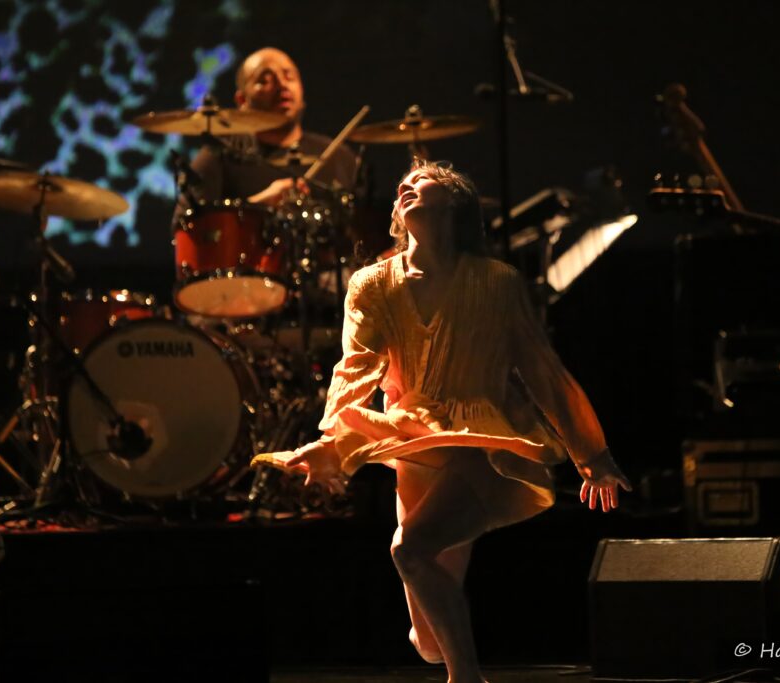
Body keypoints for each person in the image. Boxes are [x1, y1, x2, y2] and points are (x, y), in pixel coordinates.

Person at [253, 159, 631, 683]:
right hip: (412, 443)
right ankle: (451, 661)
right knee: (428, 640)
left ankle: (467, 680)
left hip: (479, 444)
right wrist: (332, 442)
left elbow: (543, 371)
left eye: (422, 181)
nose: (406, 186)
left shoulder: (496, 282)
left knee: (409, 549)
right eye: (402, 185)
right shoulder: (371, 283)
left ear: (454, 201)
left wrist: (593, 454)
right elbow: (354, 368)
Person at [174, 46, 357, 218]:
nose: (282, 84)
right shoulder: (221, 153)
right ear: (242, 100)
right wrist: (257, 207)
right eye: (265, 80)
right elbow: (187, 223)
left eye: (289, 77)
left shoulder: (338, 157)